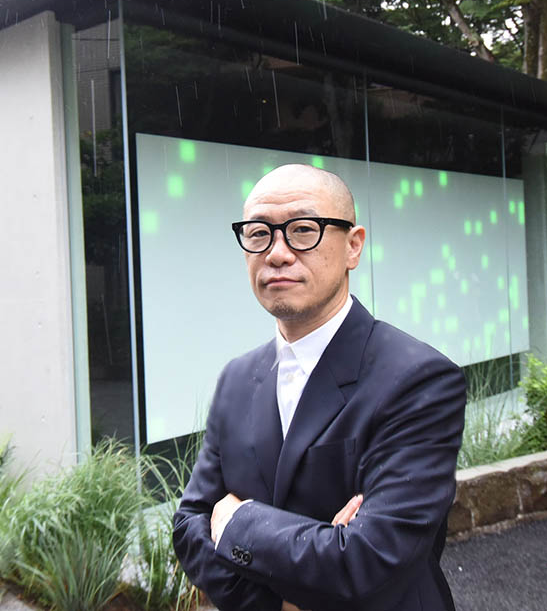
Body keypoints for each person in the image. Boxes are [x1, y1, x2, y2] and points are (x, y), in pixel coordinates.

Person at [172, 164, 467, 611]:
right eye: (258, 234)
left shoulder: (418, 379)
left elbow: (369, 560)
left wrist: (236, 521)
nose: (277, 253)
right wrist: (275, 603)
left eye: (304, 230)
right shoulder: (236, 378)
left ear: (353, 245)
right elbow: (189, 525)